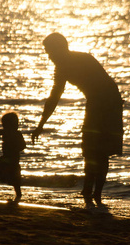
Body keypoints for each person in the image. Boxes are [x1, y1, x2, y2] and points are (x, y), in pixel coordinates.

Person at [32, 33, 123, 208]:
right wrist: (40, 125)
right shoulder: (61, 68)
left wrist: (40, 125)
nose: (49, 57)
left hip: (109, 102)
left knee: (101, 150)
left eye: (50, 52)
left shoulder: (82, 59)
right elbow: (54, 97)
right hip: (96, 102)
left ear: (60, 49)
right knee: (90, 149)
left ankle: (95, 193)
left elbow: (103, 84)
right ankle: (88, 191)